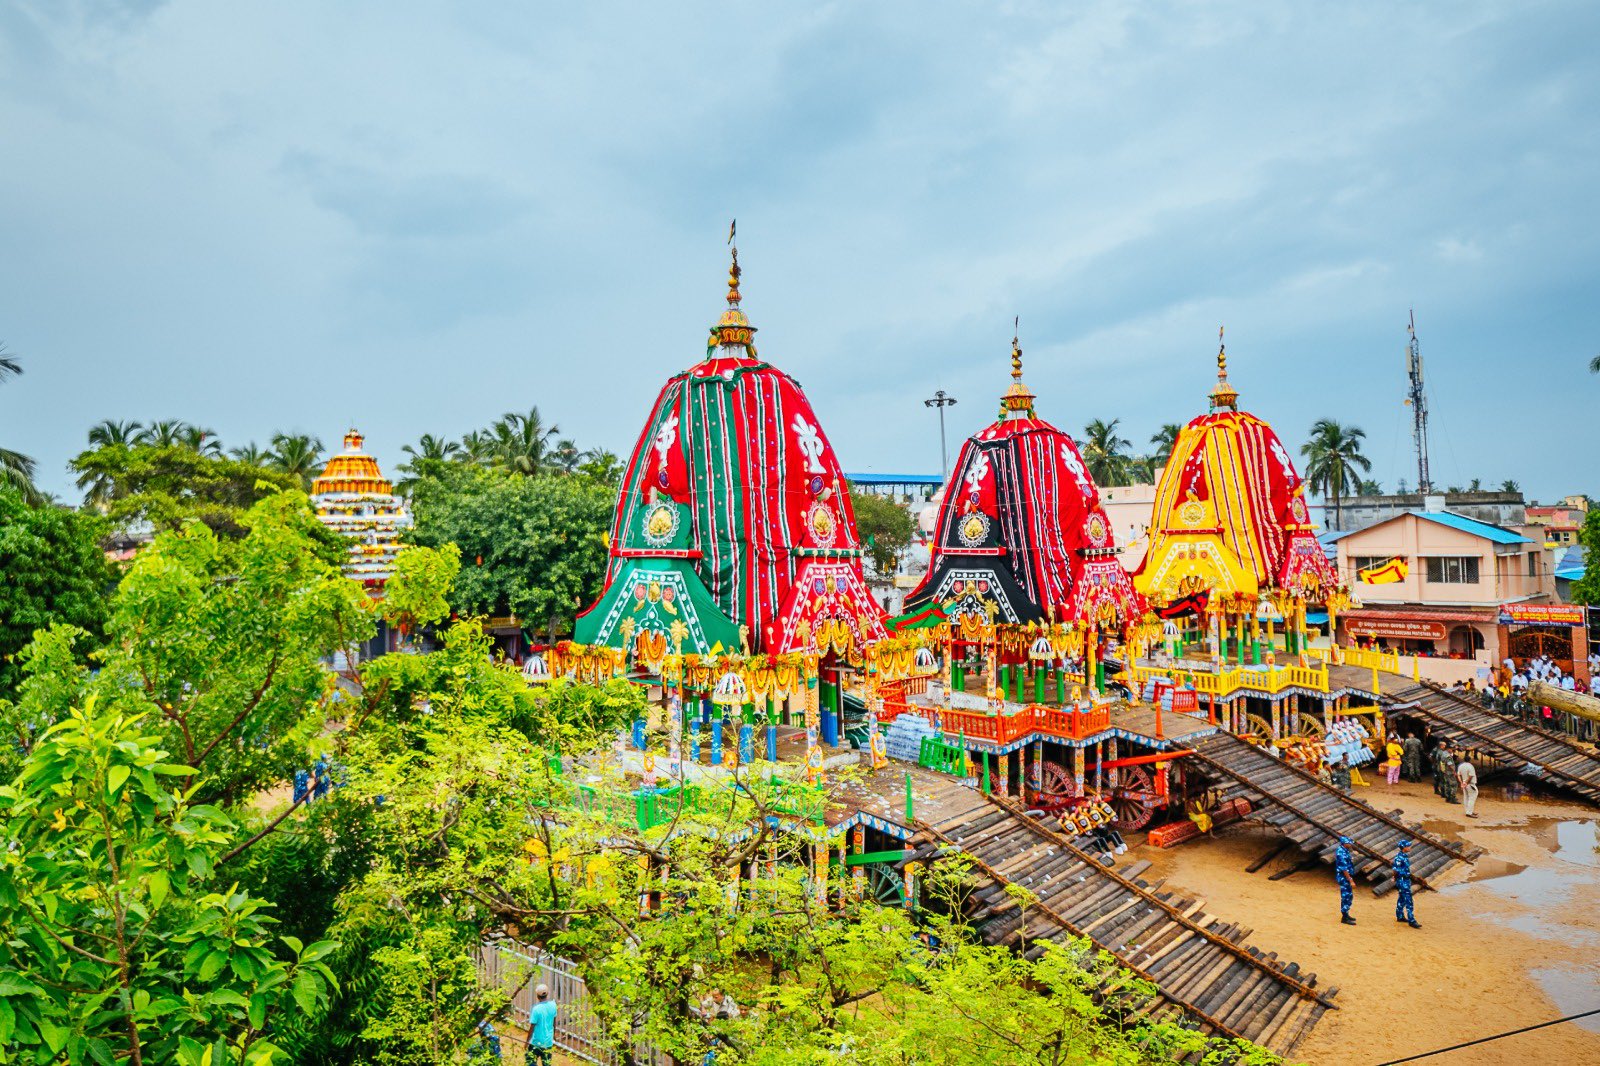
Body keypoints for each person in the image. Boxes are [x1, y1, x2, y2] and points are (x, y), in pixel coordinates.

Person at [1393, 839, 1420, 928]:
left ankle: (1400, 916)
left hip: (1405, 880)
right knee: (1409, 900)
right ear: (1404, 847)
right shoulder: (1399, 857)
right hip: (1402, 880)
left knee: (1402, 898)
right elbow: (1395, 870)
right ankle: (1411, 920)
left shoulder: (1404, 856)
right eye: (1408, 846)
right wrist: (1395, 878)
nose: (1410, 847)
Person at [528, 983, 557, 1065]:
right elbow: (554, 1023)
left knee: (531, 1062)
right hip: (548, 1042)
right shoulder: (553, 1005)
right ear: (547, 994)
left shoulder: (536, 1009)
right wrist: (553, 1036)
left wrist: (527, 1042)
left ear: (537, 996)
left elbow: (532, 1027)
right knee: (546, 1063)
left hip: (536, 1042)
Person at [1335, 835, 1357, 925]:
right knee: (1346, 896)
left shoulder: (1345, 850)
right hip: (1344, 877)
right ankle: (1344, 918)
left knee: (1349, 896)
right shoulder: (1341, 852)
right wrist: (1350, 880)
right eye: (1349, 843)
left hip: (1346, 877)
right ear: (1344, 843)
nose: (1351, 844)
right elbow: (1344, 868)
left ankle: (1346, 914)